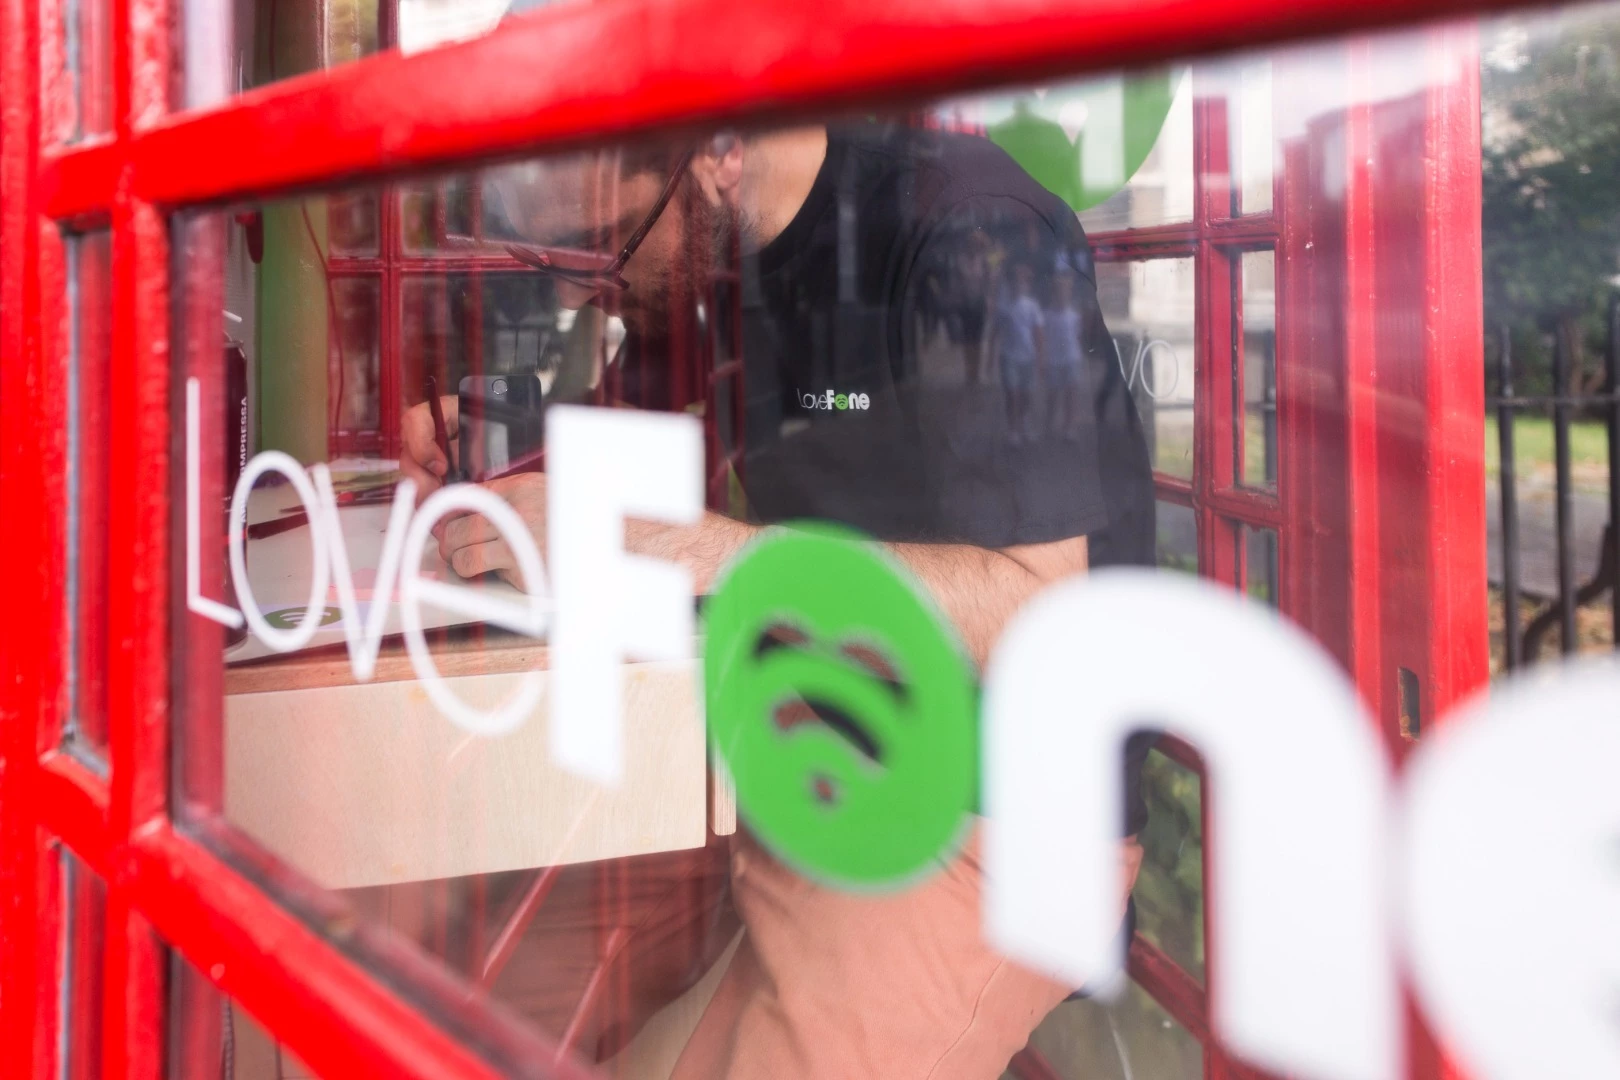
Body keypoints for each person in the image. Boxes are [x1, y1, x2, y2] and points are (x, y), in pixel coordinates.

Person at [400, 122, 1156, 1079]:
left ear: (718, 152)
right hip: (781, 749)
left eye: (601, 248)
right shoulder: (715, 254)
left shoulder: (971, 234)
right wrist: (478, 430)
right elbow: (610, 429)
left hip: (983, 822)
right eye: (552, 258)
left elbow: (1041, 621)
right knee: (455, 999)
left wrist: (695, 549)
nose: (571, 291)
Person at [990, 260, 1045, 444]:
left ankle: (1023, 422)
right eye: (1015, 282)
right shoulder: (1003, 306)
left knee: (1027, 395)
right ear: (1010, 284)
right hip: (1009, 356)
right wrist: (990, 357)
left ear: (1026, 284)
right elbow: (995, 332)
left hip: (1028, 357)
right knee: (1012, 394)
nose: (1018, 285)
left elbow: (1038, 334)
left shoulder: (1031, 306)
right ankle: (1013, 429)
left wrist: (1040, 359)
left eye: (1021, 281)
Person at [1044, 269, 1088, 439]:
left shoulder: (1074, 315)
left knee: (1071, 394)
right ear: (1054, 294)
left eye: (1066, 291)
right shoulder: (1047, 315)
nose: (1062, 295)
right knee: (1053, 394)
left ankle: (1069, 427)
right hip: (1053, 360)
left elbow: (1078, 336)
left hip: (1071, 359)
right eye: (1059, 291)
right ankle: (1049, 424)